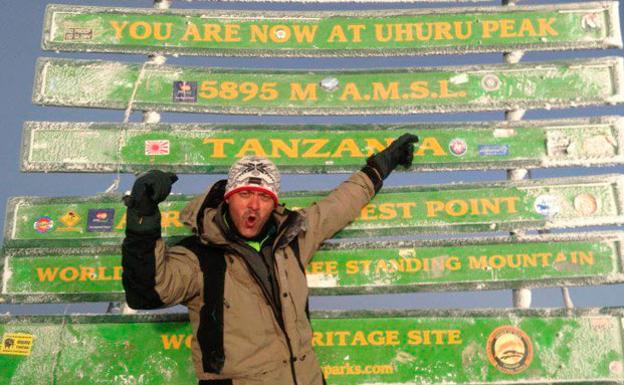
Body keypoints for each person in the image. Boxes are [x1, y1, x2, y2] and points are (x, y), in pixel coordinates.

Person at [121, 133, 418, 385]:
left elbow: (339, 205)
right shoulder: (201, 256)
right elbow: (146, 292)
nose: (253, 205)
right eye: (245, 193)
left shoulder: (292, 238)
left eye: (263, 197)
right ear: (228, 198)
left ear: (273, 203)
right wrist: (143, 216)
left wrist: (382, 164)